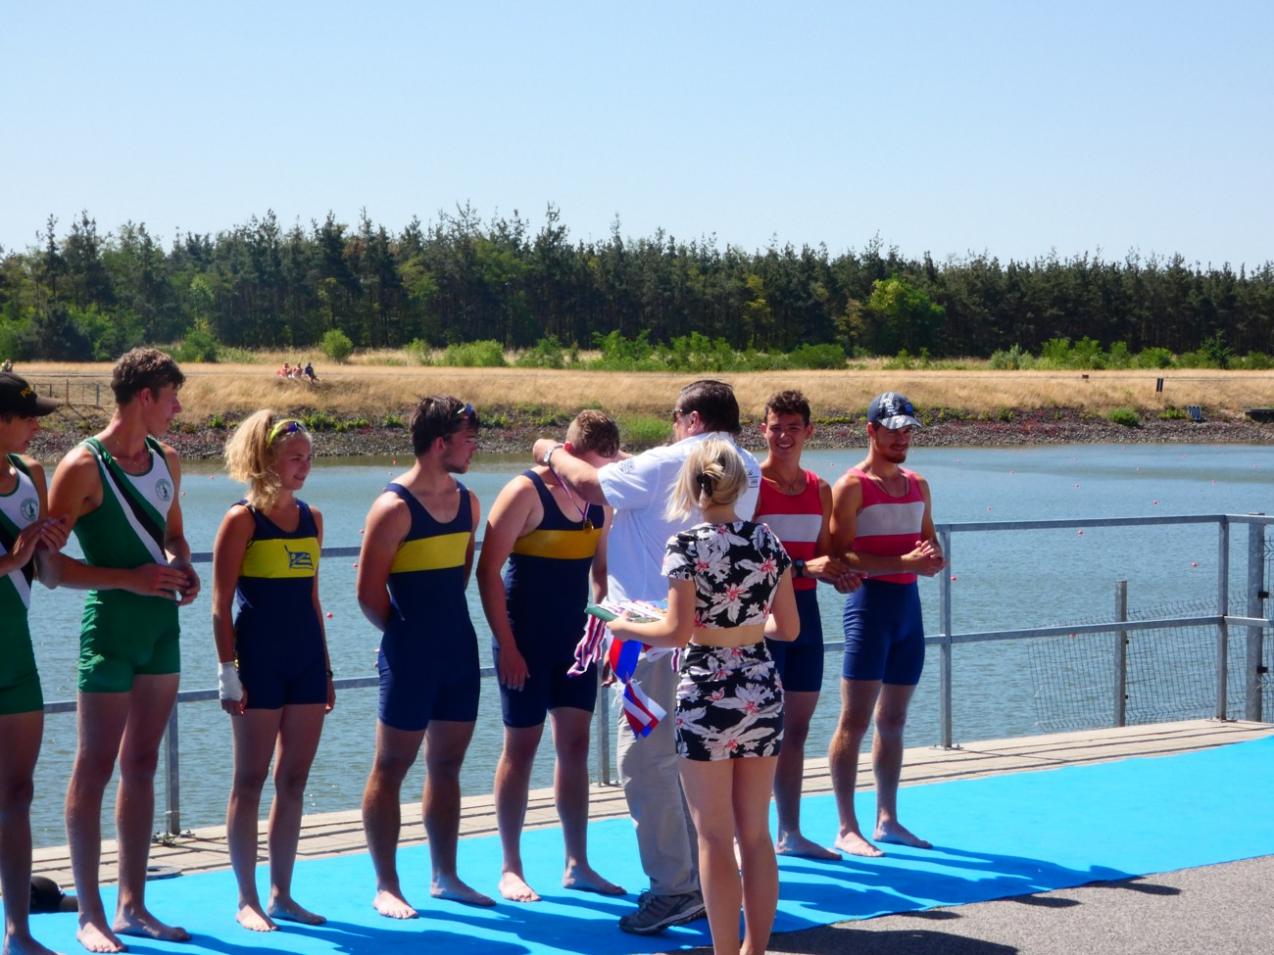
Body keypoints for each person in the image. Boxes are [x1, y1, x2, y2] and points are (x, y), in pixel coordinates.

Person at [532, 378, 761, 936]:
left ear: (691, 419)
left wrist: (551, 451)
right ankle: (702, 878)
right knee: (693, 766)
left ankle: (674, 886)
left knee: (643, 764)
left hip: (651, 640)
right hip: (713, 641)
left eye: (675, 420)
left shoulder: (669, 461)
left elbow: (589, 484)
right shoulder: (745, 465)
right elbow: (656, 486)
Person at [608, 438, 798, 955]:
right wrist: (744, 626)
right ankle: (755, 949)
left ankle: (724, 950)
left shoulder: (686, 545)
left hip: (707, 693)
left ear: (694, 487)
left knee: (713, 835)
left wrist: (623, 626)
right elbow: (788, 628)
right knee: (755, 834)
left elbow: (674, 632)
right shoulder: (767, 540)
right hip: (760, 687)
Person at [46, 347, 200, 953]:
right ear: (145, 397)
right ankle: (90, 914)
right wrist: (128, 579)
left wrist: (183, 567)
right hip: (110, 630)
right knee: (94, 767)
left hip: (161, 629)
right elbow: (50, 569)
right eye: (172, 398)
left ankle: (132, 905)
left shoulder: (168, 460)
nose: (178, 409)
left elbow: (175, 535)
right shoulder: (82, 466)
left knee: (142, 764)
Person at [478, 410, 625, 903]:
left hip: (575, 642)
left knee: (576, 746)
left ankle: (576, 863)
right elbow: (487, 572)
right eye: (590, 466)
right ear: (569, 454)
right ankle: (510, 866)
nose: (593, 478)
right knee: (521, 748)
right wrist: (507, 646)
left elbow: (602, 574)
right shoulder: (524, 491)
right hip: (523, 640)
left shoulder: (600, 500)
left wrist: (603, 634)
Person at [357, 396, 491, 917]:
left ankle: (445, 876)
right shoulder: (392, 508)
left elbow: (460, 576)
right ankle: (387, 884)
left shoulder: (469, 502)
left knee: (447, 765)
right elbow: (369, 595)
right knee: (391, 766)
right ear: (440, 444)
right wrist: (405, 639)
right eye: (468, 439)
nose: (474, 447)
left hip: (458, 649)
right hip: (410, 653)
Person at [212, 412, 335, 932]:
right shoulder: (241, 519)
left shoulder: (313, 518)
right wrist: (227, 671)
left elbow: (313, 599)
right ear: (266, 462)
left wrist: (326, 669)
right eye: (294, 459)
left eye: (308, 458)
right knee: (250, 779)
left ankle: (282, 893)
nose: (304, 467)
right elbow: (220, 605)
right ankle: (247, 898)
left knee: (294, 779)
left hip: (304, 661)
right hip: (257, 661)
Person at [827, 392, 945, 858]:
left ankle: (887, 819)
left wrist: (932, 558)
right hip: (868, 609)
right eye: (892, 430)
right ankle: (845, 826)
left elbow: (928, 541)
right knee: (854, 721)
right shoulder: (851, 486)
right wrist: (903, 562)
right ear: (871, 431)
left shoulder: (919, 484)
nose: (901, 439)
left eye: (908, 430)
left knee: (894, 719)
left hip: (908, 610)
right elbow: (839, 556)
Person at [754, 390, 858, 860]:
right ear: (763, 430)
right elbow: (739, 561)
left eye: (793, 428)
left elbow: (823, 557)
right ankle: (748, 834)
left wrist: (840, 575)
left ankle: (789, 833)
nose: (784, 436)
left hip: (806, 616)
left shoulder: (820, 489)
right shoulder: (751, 485)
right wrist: (802, 568)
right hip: (761, 620)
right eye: (776, 427)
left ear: (808, 431)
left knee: (795, 728)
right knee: (758, 731)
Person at [0, 373, 68, 955]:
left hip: (16, 655)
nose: (36, 427)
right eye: (27, 418)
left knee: (18, 793)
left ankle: (18, 931)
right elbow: (12, 560)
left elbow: (45, 577)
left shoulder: (30, 477)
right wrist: (12, 556)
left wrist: (48, 549)